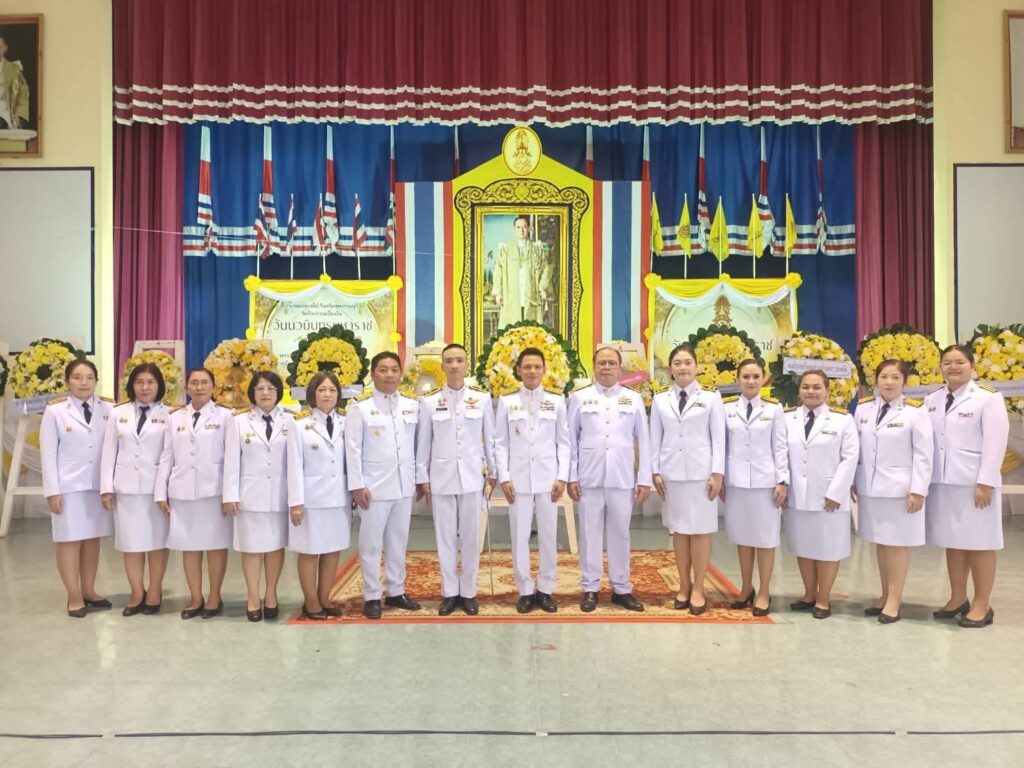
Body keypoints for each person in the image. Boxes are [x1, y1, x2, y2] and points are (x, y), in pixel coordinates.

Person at [924, 344, 1009, 629]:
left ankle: (982, 604)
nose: (953, 367)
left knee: (980, 543)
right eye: (947, 362)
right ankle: (958, 597)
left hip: (974, 484)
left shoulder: (988, 398)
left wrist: (986, 481)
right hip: (942, 482)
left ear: (972, 365)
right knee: (954, 541)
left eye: (959, 362)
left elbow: (996, 442)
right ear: (940, 367)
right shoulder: (932, 399)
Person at [567, 345, 651, 612]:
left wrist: (644, 478)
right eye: (601, 363)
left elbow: (644, 441)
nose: (606, 367)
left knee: (620, 533)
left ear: (619, 367)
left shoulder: (632, 398)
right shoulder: (580, 397)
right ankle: (590, 587)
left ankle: (621, 588)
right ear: (594, 366)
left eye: (611, 363)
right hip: (589, 477)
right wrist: (571, 476)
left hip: (621, 476)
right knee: (589, 534)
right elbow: (570, 440)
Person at [416, 343, 496, 616]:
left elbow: (490, 438)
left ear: (466, 365)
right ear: (442, 366)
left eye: (459, 360)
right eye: (449, 361)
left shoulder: (481, 399)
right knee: (446, 537)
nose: (454, 365)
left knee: (471, 538)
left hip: (472, 477)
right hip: (441, 477)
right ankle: (450, 592)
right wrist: (422, 477)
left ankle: (469, 592)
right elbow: (424, 443)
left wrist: (494, 471)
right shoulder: (429, 402)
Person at [853, 360, 933, 623]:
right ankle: (885, 594)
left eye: (895, 377)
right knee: (881, 542)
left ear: (905, 382)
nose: (889, 382)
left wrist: (918, 490)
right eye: (884, 377)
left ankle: (894, 600)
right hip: (870, 487)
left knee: (897, 544)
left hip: (900, 490)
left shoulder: (915, 412)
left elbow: (924, 455)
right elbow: (856, 449)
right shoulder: (863, 408)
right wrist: (853, 480)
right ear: (876, 380)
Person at [346, 352, 422, 619]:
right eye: (383, 370)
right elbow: (352, 449)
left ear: (400, 373)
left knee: (398, 541)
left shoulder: (412, 405)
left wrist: (418, 479)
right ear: (373, 374)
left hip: (403, 485)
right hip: (373, 488)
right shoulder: (360, 407)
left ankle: (396, 590)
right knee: (371, 543)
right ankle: (371, 595)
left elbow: (417, 446)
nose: (389, 375)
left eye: (394, 369)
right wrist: (357, 485)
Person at [650, 344, 725, 615]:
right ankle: (683, 585)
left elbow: (719, 438)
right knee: (680, 531)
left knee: (701, 531)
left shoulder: (711, 397)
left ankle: (699, 589)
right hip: (671, 474)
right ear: (670, 368)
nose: (683, 367)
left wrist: (717, 473)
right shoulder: (660, 399)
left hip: (702, 475)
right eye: (677, 363)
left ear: (696, 366)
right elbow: (655, 438)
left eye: (687, 362)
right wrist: (655, 471)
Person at [494, 347, 570, 614]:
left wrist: (562, 476)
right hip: (518, 480)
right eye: (527, 367)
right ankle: (525, 589)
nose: (532, 371)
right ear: (518, 370)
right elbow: (500, 443)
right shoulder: (507, 402)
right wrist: (504, 477)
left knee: (549, 535)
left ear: (544, 369)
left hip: (549, 480)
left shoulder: (557, 401)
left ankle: (546, 589)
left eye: (537, 366)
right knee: (519, 536)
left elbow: (564, 442)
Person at [154, 367, 233, 620]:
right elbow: (167, 455)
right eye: (194, 383)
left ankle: (214, 596)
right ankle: (196, 597)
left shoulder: (226, 416)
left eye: (204, 382)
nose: (199, 387)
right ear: (187, 387)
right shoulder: (175, 417)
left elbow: (232, 459)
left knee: (215, 546)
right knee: (189, 546)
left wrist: (229, 494)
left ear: (213, 387)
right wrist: (160, 491)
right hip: (183, 491)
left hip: (214, 492)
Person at [39, 359, 115, 618]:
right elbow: (48, 454)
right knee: (69, 541)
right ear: (67, 381)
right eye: (77, 377)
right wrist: (53, 491)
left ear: (96, 381)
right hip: (68, 488)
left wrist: (110, 486)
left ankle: (89, 590)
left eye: (89, 377)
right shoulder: (55, 411)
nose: (84, 383)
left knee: (92, 539)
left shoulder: (109, 408)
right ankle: (74, 595)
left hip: (97, 487)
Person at [783, 370, 859, 619]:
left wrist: (836, 492)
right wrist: (783, 485)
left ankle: (824, 598)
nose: (811, 392)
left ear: (827, 391)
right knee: (803, 545)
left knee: (828, 548)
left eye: (817, 387)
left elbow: (850, 458)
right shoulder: (787, 418)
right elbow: (780, 453)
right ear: (799, 391)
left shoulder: (842, 420)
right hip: (797, 494)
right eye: (805, 387)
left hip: (829, 496)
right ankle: (809, 594)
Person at [101, 362, 172, 616]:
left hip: (157, 491)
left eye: (151, 382)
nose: (145, 387)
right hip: (126, 489)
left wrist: (165, 490)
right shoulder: (118, 413)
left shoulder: (170, 414)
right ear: (131, 385)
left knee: (157, 543)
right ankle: (136, 592)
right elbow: (109, 452)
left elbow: (169, 454)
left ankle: (155, 590)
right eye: (140, 382)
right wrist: (106, 488)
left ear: (159, 386)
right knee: (131, 543)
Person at [721, 359, 789, 617]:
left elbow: (780, 446)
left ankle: (764, 591)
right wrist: (721, 478)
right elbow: (722, 446)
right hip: (736, 483)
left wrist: (782, 480)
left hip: (765, 483)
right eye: (746, 376)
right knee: (743, 538)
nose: (750, 381)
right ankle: (746, 587)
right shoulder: (726, 408)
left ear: (763, 379)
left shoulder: (774, 409)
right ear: (738, 379)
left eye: (755, 376)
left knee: (765, 539)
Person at [223, 371, 292, 622]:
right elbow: (232, 460)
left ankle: (271, 594)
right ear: (252, 392)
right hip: (249, 496)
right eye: (260, 388)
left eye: (271, 388)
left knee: (275, 547)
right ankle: (252, 596)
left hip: (279, 495)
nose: (265, 393)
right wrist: (229, 494)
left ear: (278, 392)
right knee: (251, 548)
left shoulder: (291, 419)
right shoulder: (239, 421)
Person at [287, 372, 351, 620]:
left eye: (332, 390)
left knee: (333, 549)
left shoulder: (346, 422)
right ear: (313, 394)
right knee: (310, 550)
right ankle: (311, 601)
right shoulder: (300, 424)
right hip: (311, 499)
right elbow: (294, 465)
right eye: (322, 390)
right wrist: (296, 502)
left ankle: (325, 597)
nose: (327, 394)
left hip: (338, 498)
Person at [491, 215, 553, 327]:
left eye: (524, 227)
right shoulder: (506, 249)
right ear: (514, 229)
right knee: (512, 329)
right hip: (512, 296)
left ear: (529, 229)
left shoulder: (537, 249)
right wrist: (498, 293)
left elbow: (546, 269)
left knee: (531, 329)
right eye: (518, 227)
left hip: (531, 295)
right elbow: (498, 272)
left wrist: (542, 288)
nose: (522, 230)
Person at [0, 36, 29, 130]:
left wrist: (18, 115)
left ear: (5, 48)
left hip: (6, 114)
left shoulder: (14, 69)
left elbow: (23, 94)